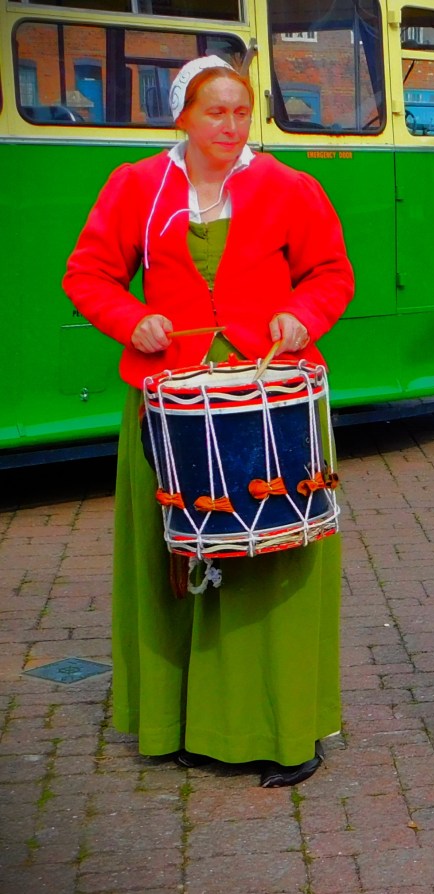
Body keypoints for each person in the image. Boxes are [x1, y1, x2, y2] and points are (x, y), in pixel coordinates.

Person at [63, 56, 355, 787]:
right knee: (175, 562)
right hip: (171, 405)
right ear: (183, 117)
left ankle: (285, 731)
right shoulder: (136, 186)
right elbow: (88, 274)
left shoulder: (290, 187)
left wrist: (301, 315)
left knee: (275, 560)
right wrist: (132, 321)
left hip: (268, 401)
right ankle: (182, 724)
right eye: (214, 111)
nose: (230, 125)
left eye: (240, 111)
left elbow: (331, 274)